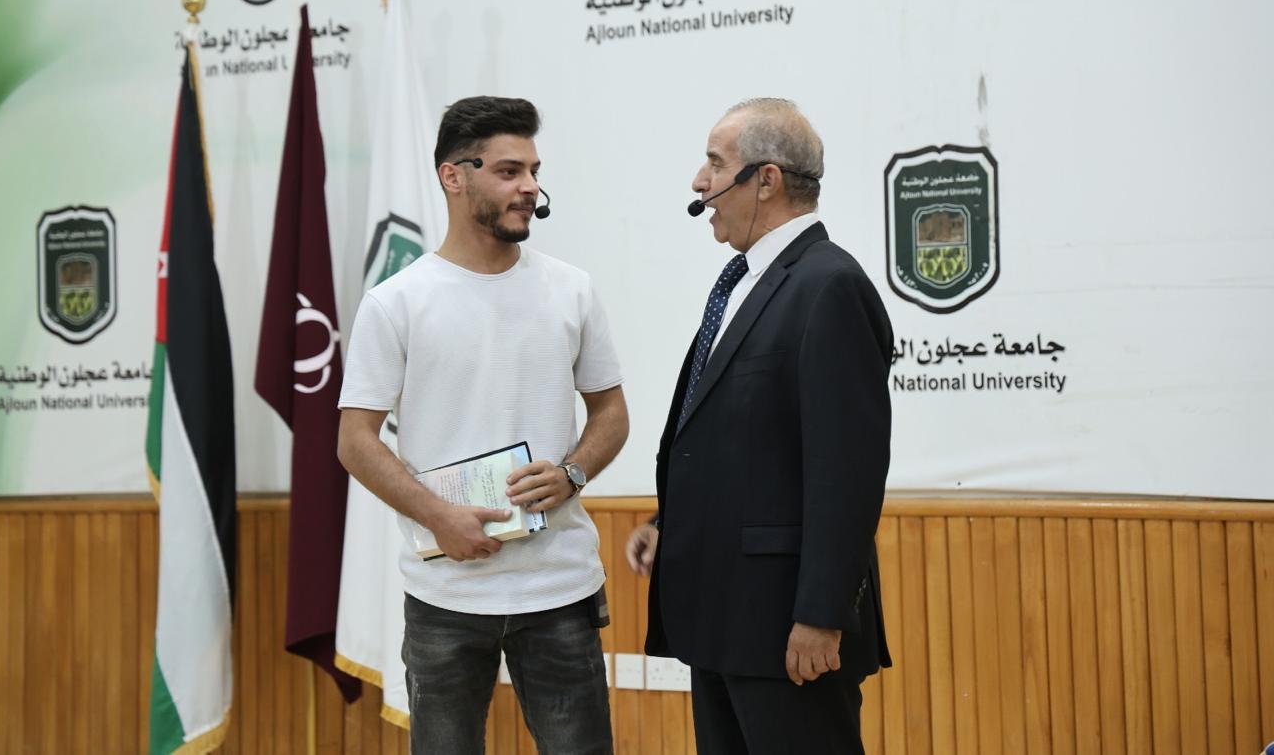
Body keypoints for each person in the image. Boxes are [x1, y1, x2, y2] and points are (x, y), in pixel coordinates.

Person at [338, 96, 628, 755]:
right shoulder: (395, 303)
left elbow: (611, 414)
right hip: (445, 595)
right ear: (453, 176)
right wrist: (439, 517)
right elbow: (354, 441)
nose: (529, 187)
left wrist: (573, 472)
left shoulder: (572, 290)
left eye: (533, 171)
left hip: (560, 588)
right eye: (508, 171)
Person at [625, 98, 893, 754]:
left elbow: (846, 471)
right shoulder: (745, 280)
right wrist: (669, 524)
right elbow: (743, 441)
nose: (700, 182)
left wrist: (821, 614)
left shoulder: (829, 286)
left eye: (715, 164)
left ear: (766, 179)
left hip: (787, 629)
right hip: (724, 622)